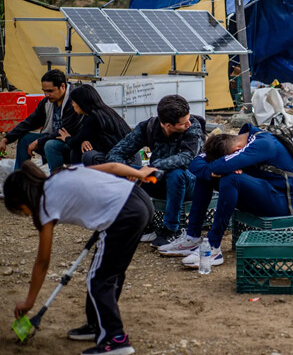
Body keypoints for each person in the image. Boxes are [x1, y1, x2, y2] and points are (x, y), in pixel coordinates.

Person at [5, 161, 156, 355]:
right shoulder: (60, 175)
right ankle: (96, 325)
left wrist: (29, 301)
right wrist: (139, 173)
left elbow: (42, 261)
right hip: (139, 199)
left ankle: (116, 339)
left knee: (99, 279)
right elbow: (112, 167)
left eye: (20, 210)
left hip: (124, 213)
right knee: (110, 272)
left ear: (22, 200)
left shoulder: (45, 206)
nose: (24, 214)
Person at [156, 123, 293, 269]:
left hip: (283, 202)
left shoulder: (264, 143)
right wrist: (215, 169)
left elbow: (222, 166)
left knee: (230, 177)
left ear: (237, 151)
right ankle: (192, 237)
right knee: (206, 175)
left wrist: (226, 166)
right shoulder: (237, 141)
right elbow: (195, 163)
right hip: (261, 193)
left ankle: (213, 247)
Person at [107, 95, 203, 247]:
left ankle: (171, 230)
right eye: (183, 123)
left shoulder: (193, 127)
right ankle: (144, 224)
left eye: (188, 119)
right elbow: (115, 154)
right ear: (167, 125)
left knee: (175, 173)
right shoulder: (148, 127)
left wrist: (154, 166)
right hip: (156, 180)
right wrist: (129, 171)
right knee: (115, 170)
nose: (188, 124)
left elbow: (187, 157)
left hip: (189, 183)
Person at [0, 69, 82, 171]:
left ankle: (56, 179)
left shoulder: (75, 100)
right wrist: (6, 139)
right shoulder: (46, 102)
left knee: (50, 145)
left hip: (73, 143)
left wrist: (38, 142)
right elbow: (30, 122)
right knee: (25, 139)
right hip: (52, 139)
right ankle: (21, 178)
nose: (46, 95)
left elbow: (65, 130)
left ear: (62, 86)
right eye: (44, 91)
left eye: (50, 91)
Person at [58, 84, 133, 166]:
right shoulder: (106, 111)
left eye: (73, 102)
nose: (72, 105)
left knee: (82, 154)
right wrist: (84, 141)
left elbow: (75, 142)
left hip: (122, 159)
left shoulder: (94, 118)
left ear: (80, 103)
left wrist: (66, 138)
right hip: (126, 155)